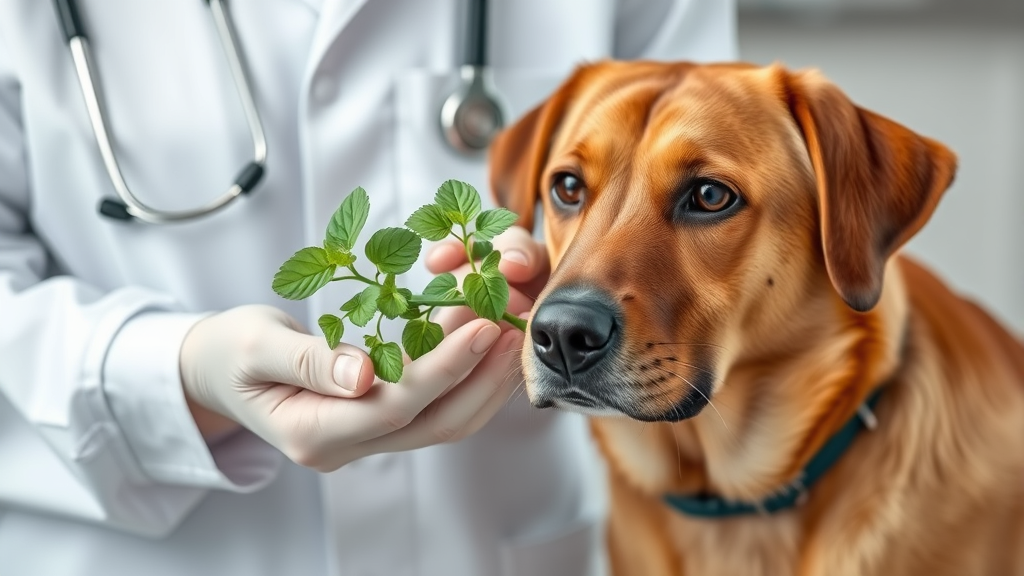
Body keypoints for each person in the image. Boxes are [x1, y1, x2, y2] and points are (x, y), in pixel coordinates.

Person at [0, 1, 737, 574]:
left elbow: (718, 195)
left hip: (490, 539)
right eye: (568, 185)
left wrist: (584, 275)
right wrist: (175, 372)